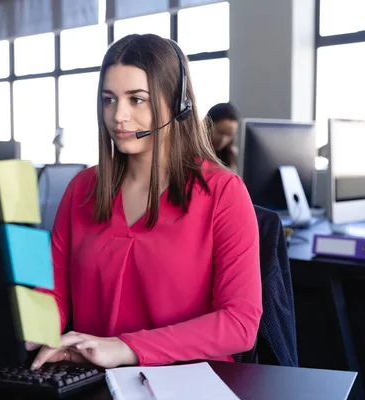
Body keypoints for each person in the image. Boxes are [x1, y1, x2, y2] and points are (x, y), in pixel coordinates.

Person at [28, 34, 262, 370]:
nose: (118, 115)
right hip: (90, 380)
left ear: (177, 104)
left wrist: (126, 348)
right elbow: (54, 292)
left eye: (137, 99)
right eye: (109, 100)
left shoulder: (224, 193)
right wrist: (27, 330)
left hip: (189, 383)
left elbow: (239, 324)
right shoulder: (82, 190)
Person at [206, 103, 239, 172]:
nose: (223, 140)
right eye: (220, 132)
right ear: (207, 126)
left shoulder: (230, 154)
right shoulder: (193, 152)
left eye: (229, 135)